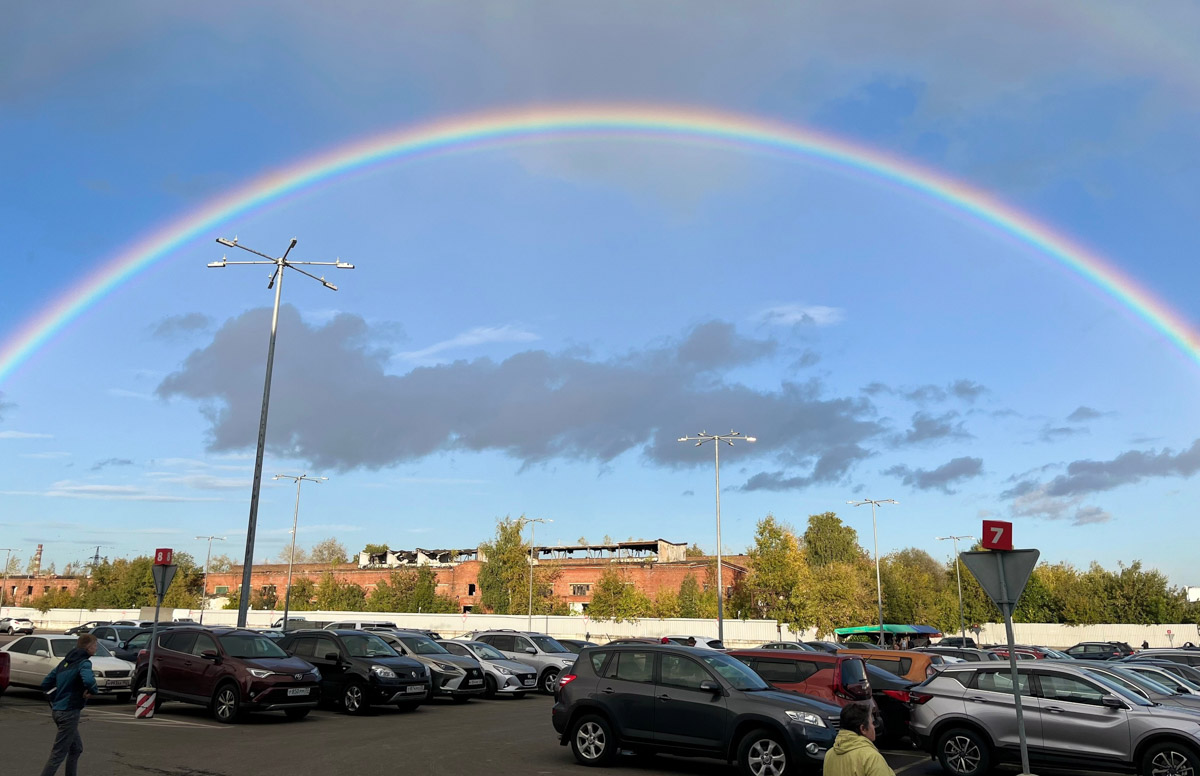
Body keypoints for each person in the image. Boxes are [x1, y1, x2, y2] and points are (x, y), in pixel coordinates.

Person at [39, 633, 100, 776]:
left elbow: (45, 683)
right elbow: (89, 681)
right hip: (69, 711)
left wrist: (56, 696)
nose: (96, 648)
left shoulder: (64, 663)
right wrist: (93, 691)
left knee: (76, 748)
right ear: (89, 647)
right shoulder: (84, 663)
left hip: (58, 710)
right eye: (95, 645)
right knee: (58, 753)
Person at [823, 701, 895, 776]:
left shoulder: (829, 755)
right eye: (872, 723)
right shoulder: (871, 757)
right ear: (863, 729)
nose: (874, 727)